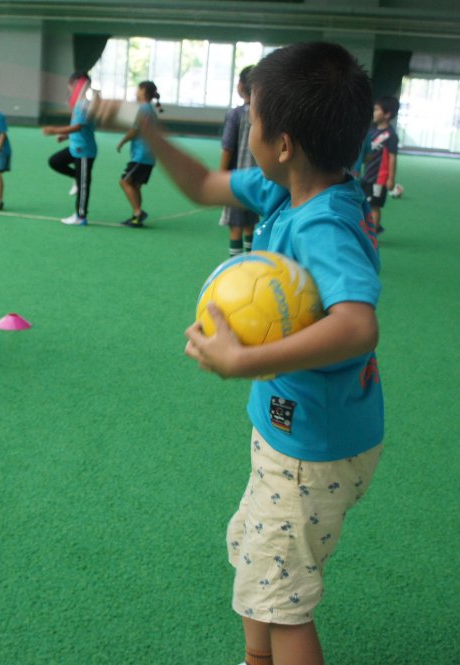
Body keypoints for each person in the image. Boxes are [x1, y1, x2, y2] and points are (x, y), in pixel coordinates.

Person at [125, 42, 382, 665]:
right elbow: (202, 183)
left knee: (282, 598)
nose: (248, 131)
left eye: (254, 120)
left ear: (283, 144)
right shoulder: (283, 191)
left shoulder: (323, 223)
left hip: (313, 448)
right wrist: (149, 131)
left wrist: (245, 362)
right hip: (291, 434)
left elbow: (357, 326)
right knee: (256, 558)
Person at [43, 72, 97, 226]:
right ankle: (77, 177)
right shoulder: (79, 104)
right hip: (75, 147)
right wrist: (66, 136)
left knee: (83, 184)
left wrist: (55, 130)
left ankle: (80, 216)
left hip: (84, 151)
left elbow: (78, 126)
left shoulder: (83, 105)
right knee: (55, 161)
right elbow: (81, 127)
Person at [219, 65, 260, 256]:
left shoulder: (235, 114)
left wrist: (221, 174)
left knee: (235, 225)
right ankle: (252, 260)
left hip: (237, 179)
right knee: (250, 223)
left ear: (241, 87)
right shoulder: (263, 114)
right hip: (258, 177)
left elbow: (228, 147)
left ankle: (235, 265)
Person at [114, 81, 162, 228]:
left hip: (142, 154)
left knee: (124, 181)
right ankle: (136, 217)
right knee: (135, 185)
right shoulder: (150, 109)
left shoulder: (143, 109)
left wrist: (122, 141)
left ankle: (138, 212)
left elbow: (135, 130)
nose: (136, 92)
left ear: (143, 91)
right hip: (148, 154)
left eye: (138, 89)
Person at [359, 95, 400, 234]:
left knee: (374, 206)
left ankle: (373, 234)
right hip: (367, 176)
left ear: (387, 114)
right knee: (365, 203)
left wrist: (391, 179)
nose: (374, 112)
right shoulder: (371, 130)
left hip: (379, 179)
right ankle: (372, 228)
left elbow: (392, 157)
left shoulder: (391, 135)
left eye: (377, 110)